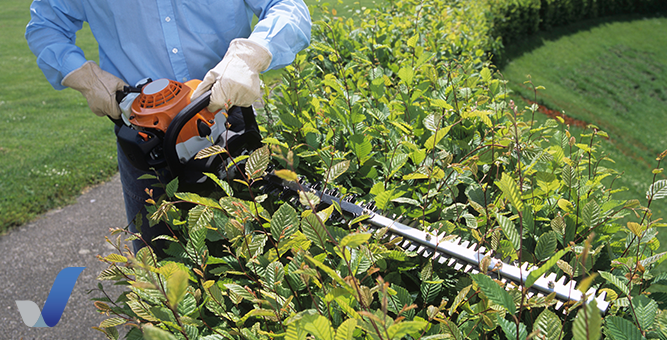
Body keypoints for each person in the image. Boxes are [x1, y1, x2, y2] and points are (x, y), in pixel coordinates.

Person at [25, 1, 311, 256]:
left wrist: (251, 55)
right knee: (162, 274)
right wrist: (85, 77)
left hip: (225, 116)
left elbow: (288, 6)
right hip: (147, 140)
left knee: (257, 258)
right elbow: (45, 26)